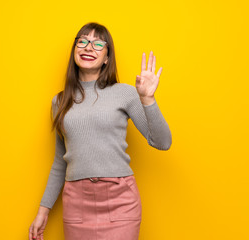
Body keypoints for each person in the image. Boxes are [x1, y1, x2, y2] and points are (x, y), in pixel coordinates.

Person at [29, 22, 172, 240]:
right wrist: (43, 210)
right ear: (75, 50)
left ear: (107, 57)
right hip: (77, 203)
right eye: (83, 41)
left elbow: (162, 142)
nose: (88, 47)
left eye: (97, 43)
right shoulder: (60, 101)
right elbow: (60, 161)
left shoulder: (125, 93)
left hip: (120, 201)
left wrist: (148, 99)